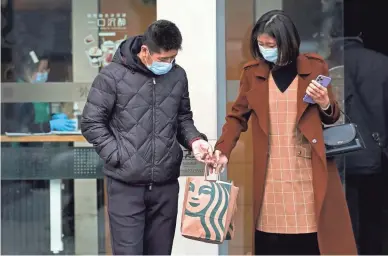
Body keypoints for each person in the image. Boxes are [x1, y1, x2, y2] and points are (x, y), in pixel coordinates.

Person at [211, 10, 357, 255]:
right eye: (261, 44)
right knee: (271, 240)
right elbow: (237, 117)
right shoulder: (252, 74)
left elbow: (331, 116)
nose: (266, 49)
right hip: (270, 174)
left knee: (312, 241)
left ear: (287, 42)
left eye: (271, 44)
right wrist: (222, 150)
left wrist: (324, 103)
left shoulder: (315, 66)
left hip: (307, 170)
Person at [81, 20, 212, 255]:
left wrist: (195, 141)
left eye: (172, 58)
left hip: (165, 186)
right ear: (145, 51)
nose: (168, 64)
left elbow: (182, 119)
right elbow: (91, 122)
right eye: (163, 59)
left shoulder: (178, 76)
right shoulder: (111, 76)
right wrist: (118, 155)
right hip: (125, 185)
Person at [329, 34, 388, 255]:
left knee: (343, 218)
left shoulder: (328, 65)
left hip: (339, 155)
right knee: (373, 218)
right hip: (375, 154)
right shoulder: (381, 63)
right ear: (361, 37)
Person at [1, 53, 76, 134]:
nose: (46, 72)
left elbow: (45, 113)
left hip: (41, 143)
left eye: (47, 69)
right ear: (29, 71)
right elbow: (21, 128)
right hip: (23, 145)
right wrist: (50, 125)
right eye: (42, 69)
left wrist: (54, 116)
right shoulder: (18, 92)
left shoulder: (39, 90)